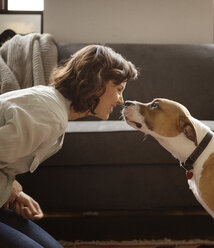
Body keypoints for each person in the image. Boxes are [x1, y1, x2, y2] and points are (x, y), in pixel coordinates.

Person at [0, 44, 138, 247]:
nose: (120, 101)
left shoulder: (53, 106)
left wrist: (13, 191)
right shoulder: (49, 115)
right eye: (118, 90)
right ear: (97, 81)